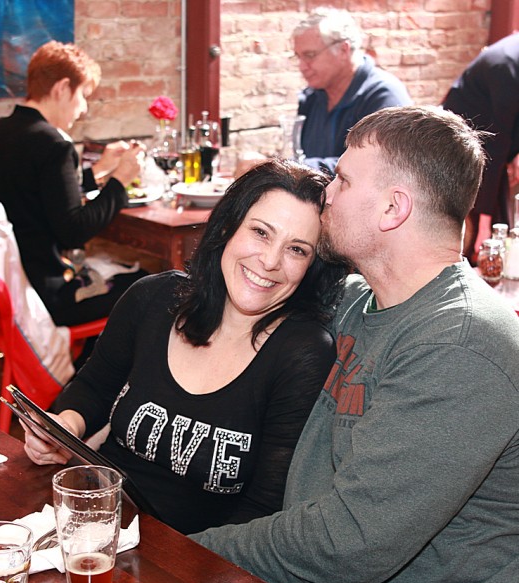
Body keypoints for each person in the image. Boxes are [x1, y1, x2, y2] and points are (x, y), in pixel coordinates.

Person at [191, 106, 519, 583]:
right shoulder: (353, 301)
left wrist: (183, 551)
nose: (326, 193)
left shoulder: (460, 346)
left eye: (342, 180)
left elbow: (348, 545)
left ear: (393, 209)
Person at [23, 158, 347, 535]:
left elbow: (263, 507)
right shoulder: (153, 298)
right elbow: (94, 388)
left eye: (297, 250)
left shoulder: (303, 353)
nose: (271, 261)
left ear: (312, 266)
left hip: (196, 554)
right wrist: (65, 425)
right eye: (261, 232)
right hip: (93, 520)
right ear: (227, 227)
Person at [0, 40, 147, 327]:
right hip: (49, 295)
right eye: (83, 95)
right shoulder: (54, 144)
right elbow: (74, 231)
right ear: (62, 88)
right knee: (148, 286)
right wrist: (120, 180)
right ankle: (98, 356)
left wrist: (98, 170)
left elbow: (38, 193)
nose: (83, 109)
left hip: (11, 283)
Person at [293, 8, 412, 175]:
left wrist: (293, 168)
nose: (301, 66)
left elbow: (376, 167)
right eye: (298, 56)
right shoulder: (311, 98)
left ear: (343, 50)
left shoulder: (384, 97)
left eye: (310, 55)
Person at [443, 32, 519, 262]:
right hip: (466, 144)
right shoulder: (505, 64)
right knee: (479, 240)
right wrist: (484, 224)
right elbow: (495, 148)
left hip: (496, 141)